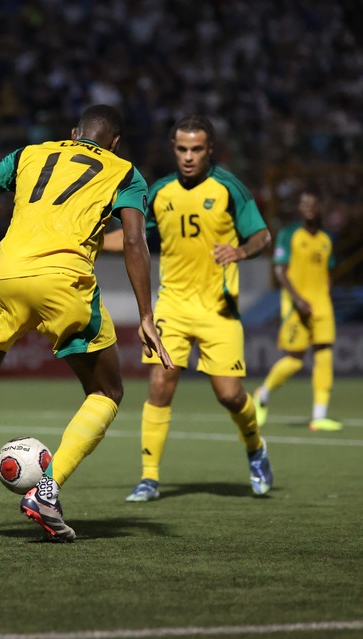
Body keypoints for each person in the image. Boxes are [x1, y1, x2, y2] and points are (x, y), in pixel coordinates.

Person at [0, 105, 173, 542]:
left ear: (73, 132)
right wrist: (146, 315)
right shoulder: (125, 172)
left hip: (4, 275)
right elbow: (135, 239)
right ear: (115, 143)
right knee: (106, 391)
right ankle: (47, 491)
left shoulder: (30, 154)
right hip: (64, 281)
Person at [105, 115, 273, 503]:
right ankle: (149, 478)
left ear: (210, 149)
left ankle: (255, 446)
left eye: (196, 149)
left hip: (218, 309)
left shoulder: (229, 187)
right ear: (173, 149)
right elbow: (131, 235)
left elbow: (262, 235)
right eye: (182, 149)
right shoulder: (159, 191)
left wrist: (241, 251)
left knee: (230, 395)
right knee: (160, 385)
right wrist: (91, 241)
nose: (188, 156)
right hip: (173, 307)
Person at [253, 188, 341, 432]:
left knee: (325, 357)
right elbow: (280, 270)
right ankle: (263, 393)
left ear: (320, 207)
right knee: (294, 360)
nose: (308, 208)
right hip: (296, 306)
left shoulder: (325, 239)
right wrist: (298, 300)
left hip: (322, 306)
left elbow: (328, 271)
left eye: (313, 203)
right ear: (299, 208)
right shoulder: (289, 234)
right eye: (304, 204)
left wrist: (325, 294)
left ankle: (319, 415)